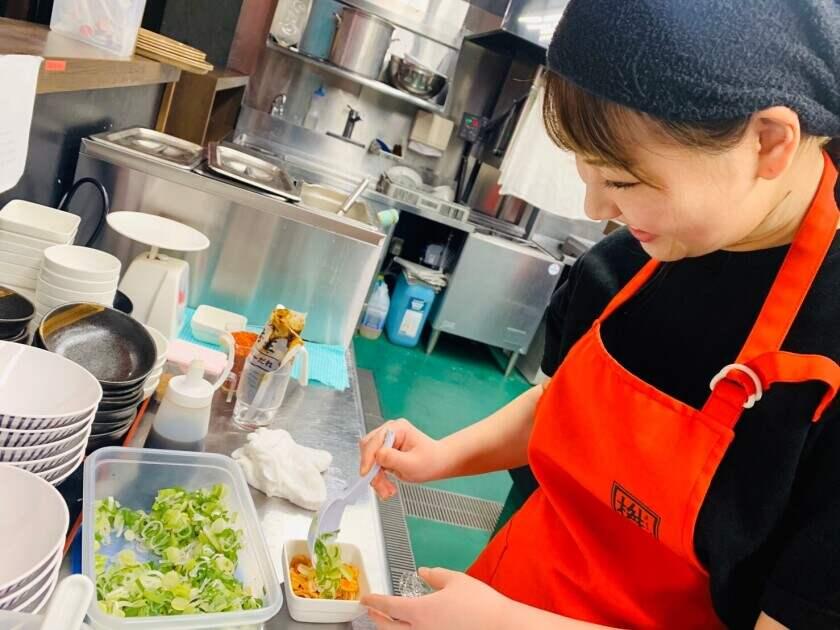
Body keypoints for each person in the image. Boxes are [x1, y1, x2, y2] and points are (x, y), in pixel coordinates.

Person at [359, 1, 840, 628]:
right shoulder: (624, 266)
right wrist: (446, 455)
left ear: (769, 141)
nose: (595, 209)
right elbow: (565, 405)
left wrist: (509, 625)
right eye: (586, 176)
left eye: (625, 181)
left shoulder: (823, 357)